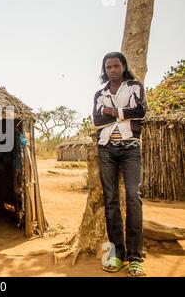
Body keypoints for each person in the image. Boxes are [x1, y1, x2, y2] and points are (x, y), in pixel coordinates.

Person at [92, 52, 147, 277]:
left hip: (130, 148)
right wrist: (125, 114)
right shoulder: (100, 93)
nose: (112, 70)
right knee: (111, 200)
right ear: (104, 70)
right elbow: (97, 119)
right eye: (108, 67)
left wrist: (112, 111)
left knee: (134, 198)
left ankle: (135, 258)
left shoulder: (135, 87)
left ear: (123, 66)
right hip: (106, 148)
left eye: (116, 66)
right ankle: (115, 253)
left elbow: (141, 111)